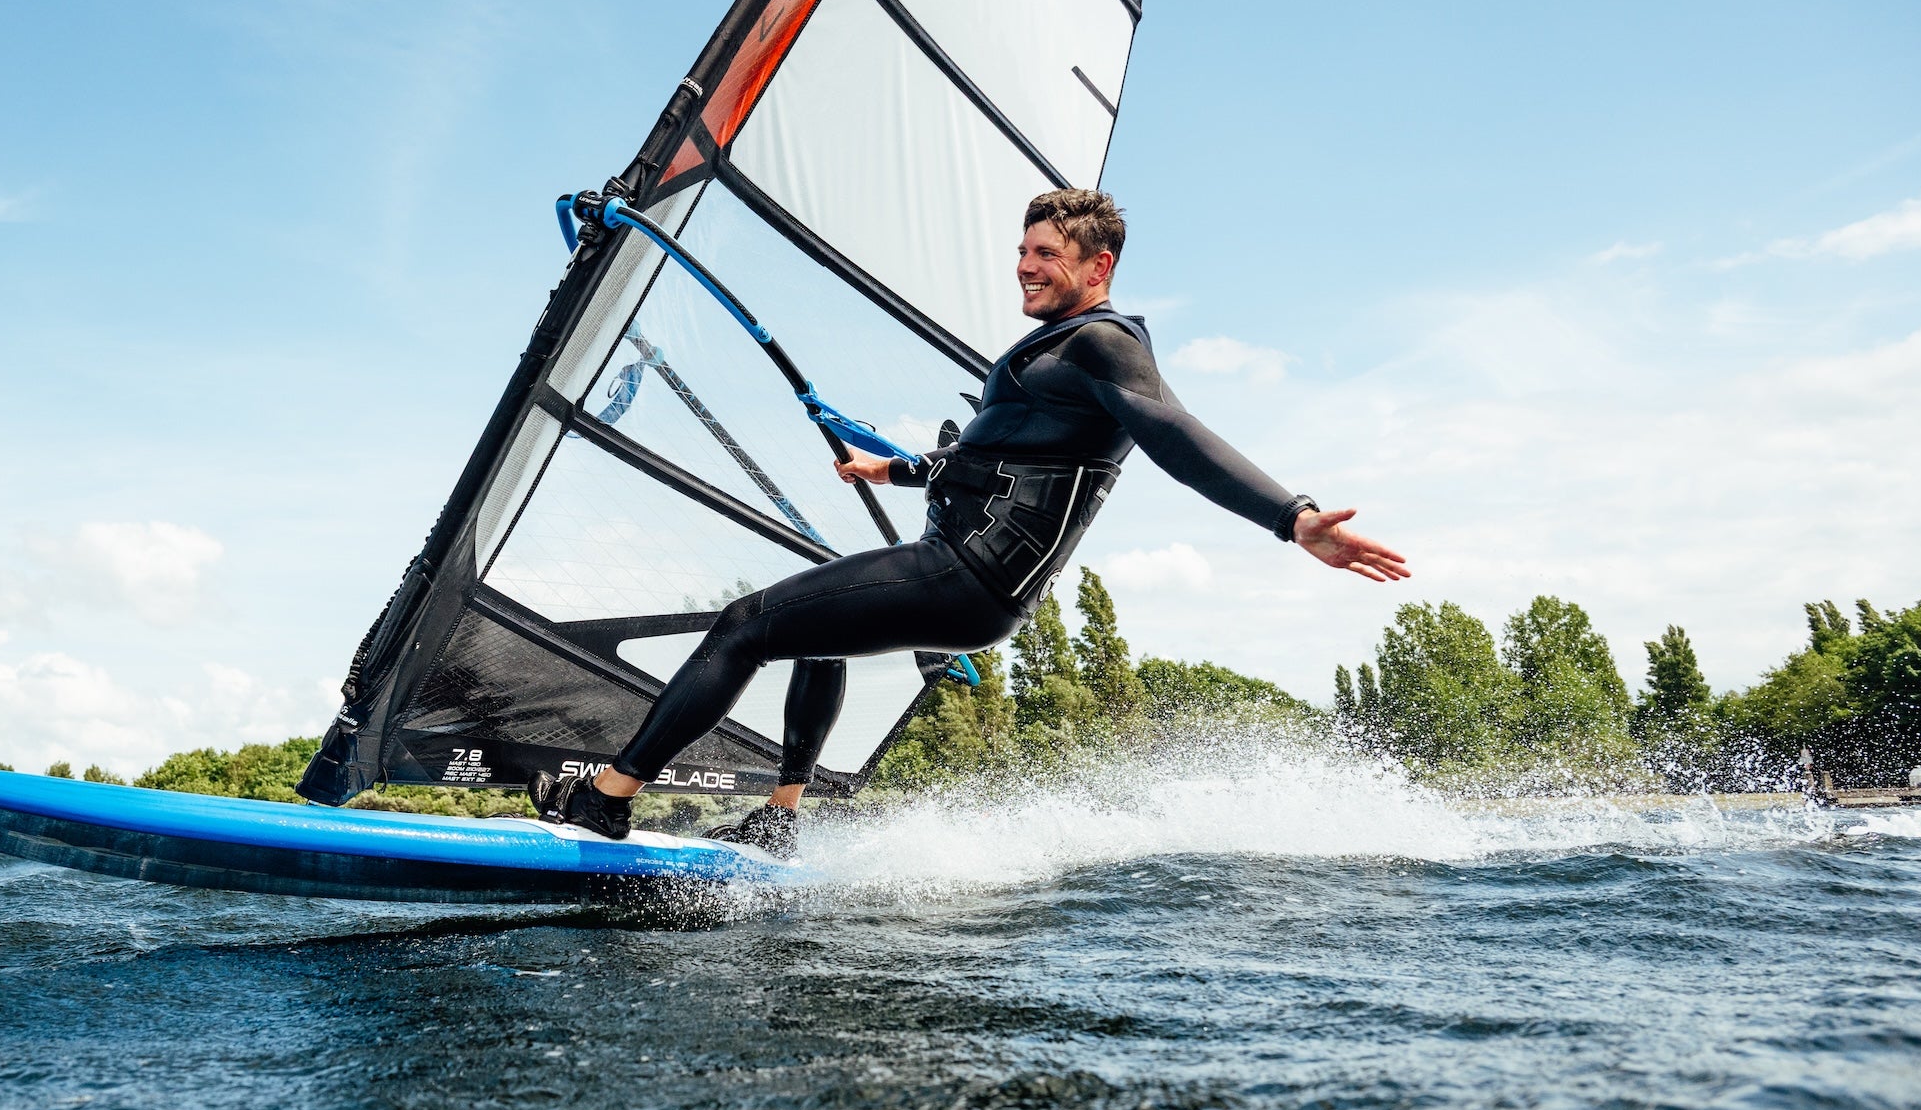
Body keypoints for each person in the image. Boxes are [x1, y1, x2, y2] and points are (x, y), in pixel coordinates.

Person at [529, 188, 1409, 855]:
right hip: (968, 579)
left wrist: (1292, 518)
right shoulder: (1061, 354)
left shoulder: (1104, 343)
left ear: (1098, 267)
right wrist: (894, 466)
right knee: (811, 633)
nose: (1026, 266)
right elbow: (993, 460)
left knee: (743, 625)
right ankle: (782, 817)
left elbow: (1177, 435)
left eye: (1047, 255)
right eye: (1022, 250)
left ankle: (608, 796)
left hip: (964, 577)